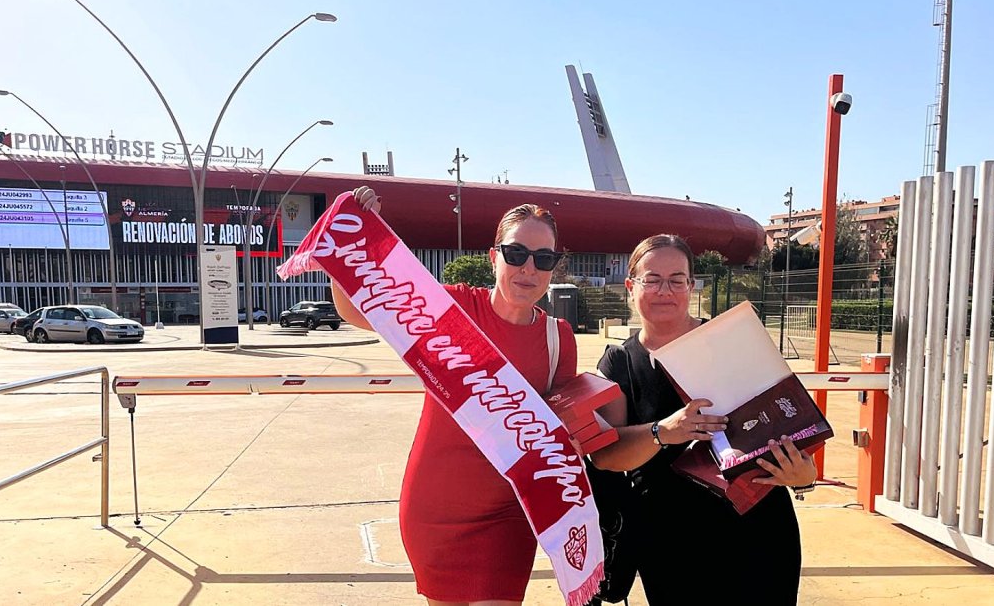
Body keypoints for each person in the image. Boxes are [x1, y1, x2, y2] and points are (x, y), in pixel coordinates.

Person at [331, 186, 579, 606]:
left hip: (509, 512)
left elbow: (562, 427)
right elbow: (357, 310)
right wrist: (351, 239)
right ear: (493, 257)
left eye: (544, 258)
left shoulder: (559, 338)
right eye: (516, 254)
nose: (529, 269)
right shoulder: (453, 308)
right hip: (437, 504)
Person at [591, 234, 816, 605]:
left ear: (691, 286)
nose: (665, 290)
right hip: (669, 542)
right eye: (652, 279)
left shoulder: (731, 342)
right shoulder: (618, 364)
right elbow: (608, 457)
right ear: (631, 286)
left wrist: (803, 479)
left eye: (676, 279)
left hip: (757, 531)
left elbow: (792, 430)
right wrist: (664, 432)